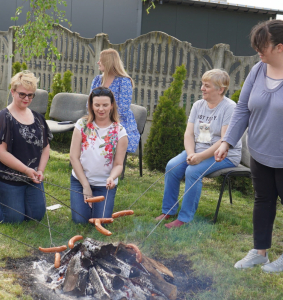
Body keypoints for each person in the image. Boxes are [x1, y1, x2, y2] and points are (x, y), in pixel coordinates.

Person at [215, 20, 283, 273]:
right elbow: (242, 108)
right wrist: (227, 141)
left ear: (280, 47)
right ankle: (260, 252)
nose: (258, 51)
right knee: (263, 200)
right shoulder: (257, 70)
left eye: (262, 46)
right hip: (259, 152)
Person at [155, 69, 242, 228]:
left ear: (220, 89)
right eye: (203, 84)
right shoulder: (198, 105)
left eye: (207, 86)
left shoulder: (230, 107)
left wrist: (200, 158)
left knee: (192, 171)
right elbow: (188, 134)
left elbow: (225, 140)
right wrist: (191, 154)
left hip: (224, 154)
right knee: (171, 166)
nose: (202, 88)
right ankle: (169, 210)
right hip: (198, 150)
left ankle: (184, 218)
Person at [0, 71, 52, 223]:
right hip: (8, 177)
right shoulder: (3, 117)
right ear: (12, 92)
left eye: (30, 95)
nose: (26, 98)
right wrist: (26, 170)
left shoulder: (38, 118)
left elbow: (45, 147)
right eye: (22, 94)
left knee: (36, 217)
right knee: (14, 219)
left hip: (31, 177)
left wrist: (39, 170)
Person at [70, 86, 128, 223]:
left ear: (111, 106)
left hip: (104, 184)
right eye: (97, 105)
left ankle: (100, 205)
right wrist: (85, 185)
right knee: (80, 220)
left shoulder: (119, 131)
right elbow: (74, 157)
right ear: (91, 105)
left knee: (100, 221)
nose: (101, 109)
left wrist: (112, 178)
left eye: (105, 105)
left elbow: (119, 164)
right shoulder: (81, 125)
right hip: (81, 181)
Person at [90, 48, 139, 153]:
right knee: (83, 132)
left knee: (106, 138)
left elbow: (123, 110)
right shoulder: (97, 80)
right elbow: (89, 103)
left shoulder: (124, 81)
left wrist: (105, 122)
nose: (98, 62)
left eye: (100, 60)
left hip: (118, 121)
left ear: (108, 63)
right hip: (98, 119)